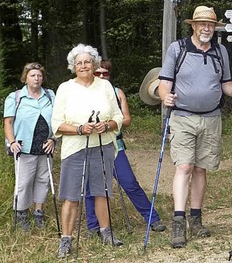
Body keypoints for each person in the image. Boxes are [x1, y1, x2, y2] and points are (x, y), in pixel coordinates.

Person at [158, 5, 232, 248]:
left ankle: (196, 219)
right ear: (193, 26)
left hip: (211, 117)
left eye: (211, 25)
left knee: (201, 169)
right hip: (182, 117)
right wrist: (165, 97)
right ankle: (178, 222)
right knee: (184, 166)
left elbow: (225, 84)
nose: (206, 28)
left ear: (214, 28)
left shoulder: (220, 51)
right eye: (202, 24)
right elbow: (165, 82)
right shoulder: (178, 49)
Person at [52, 44, 124, 258]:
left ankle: (106, 233)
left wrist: (108, 125)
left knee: (102, 192)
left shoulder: (105, 86)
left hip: (102, 146)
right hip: (74, 149)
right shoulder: (65, 88)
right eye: (79, 63)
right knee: (71, 196)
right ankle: (65, 240)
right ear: (73, 66)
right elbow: (56, 123)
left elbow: (119, 117)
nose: (84, 65)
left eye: (87, 62)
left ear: (94, 64)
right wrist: (79, 129)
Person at [84, 60, 166, 234]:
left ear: (109, 75)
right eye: (97, 74)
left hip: (115, 146)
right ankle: (93, 226)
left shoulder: (116, 93)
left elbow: (127, 119)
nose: (101, 77)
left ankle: (152, 218)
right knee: (93, 187)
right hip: (92, 146)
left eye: (104, 74)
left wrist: (111, 124)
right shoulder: (84, 93)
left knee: (129, 183)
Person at [4, 62, 56, 231]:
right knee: (24, 182)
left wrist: (54, 139)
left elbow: (58, 120)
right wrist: (12, 142)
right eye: (33, 75)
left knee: (43, 179)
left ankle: (38, 213)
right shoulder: (16, 97)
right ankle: (21, 214)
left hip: (45, 146)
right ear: (25, 77)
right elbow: (8, 122)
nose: (36, 78)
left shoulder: (50, 95)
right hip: (24, 147)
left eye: (39, 75)